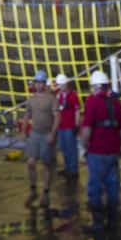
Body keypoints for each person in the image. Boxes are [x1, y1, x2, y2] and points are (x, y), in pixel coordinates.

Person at [80, 70, 121, 232]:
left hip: (97, 152)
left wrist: (83, 147)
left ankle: (98, 222)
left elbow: (86, 130)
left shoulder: (92, 102)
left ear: (95, 87)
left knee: (96, 187)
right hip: (113, 152)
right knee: (113, 186)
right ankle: (112, 220)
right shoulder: (116, 104)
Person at [22, 70, 60, 206]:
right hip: (35, 133)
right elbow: (27, 115)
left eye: (41, 82)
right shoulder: (32, 99)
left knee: (46, 164)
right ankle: (33, 190)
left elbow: (57, 116)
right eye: (37, 82)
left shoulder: (51, 99)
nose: (38, 85)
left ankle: (45, 192)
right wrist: (23, 130)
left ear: (44, 84)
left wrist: (53, 133)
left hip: (46, 134)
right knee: (30, 162)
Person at [55, 73, 81, 179]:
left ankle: (73, 170)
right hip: (61, 127)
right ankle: (67, 168)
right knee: (64, 148)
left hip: (70, 127)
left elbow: (77, 111)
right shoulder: (58, 96)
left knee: (71, 148)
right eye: (59, 85)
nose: (61, 87)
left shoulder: (72, 96)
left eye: (62, 85)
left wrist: (76, 124)